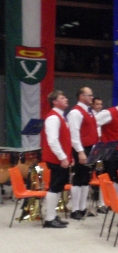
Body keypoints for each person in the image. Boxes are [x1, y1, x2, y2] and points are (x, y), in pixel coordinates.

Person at [40, 90, 72, 228]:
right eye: (62, 98)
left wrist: (68, 157)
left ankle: (52, 214)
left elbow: (65, 139)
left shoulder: (61, 117)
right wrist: (62, 157)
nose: (66, 99)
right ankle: (49, 218)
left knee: (58, 187)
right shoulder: (53, 117)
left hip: (61, 158)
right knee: (55, 186)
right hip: (55, 159)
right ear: (54, 102)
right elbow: (53, 140)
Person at [67, 87, 99, 220]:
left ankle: (82, 207)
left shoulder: (89, 112)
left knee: (86, 179)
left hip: (90, 149)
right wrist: (80, 152)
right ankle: (75, 209)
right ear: (81, 96)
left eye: (92, 95)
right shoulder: (75, 112)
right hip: (81, 149)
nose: (92, 97)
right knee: (78, 179)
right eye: (89, 95)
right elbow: (74, 134)